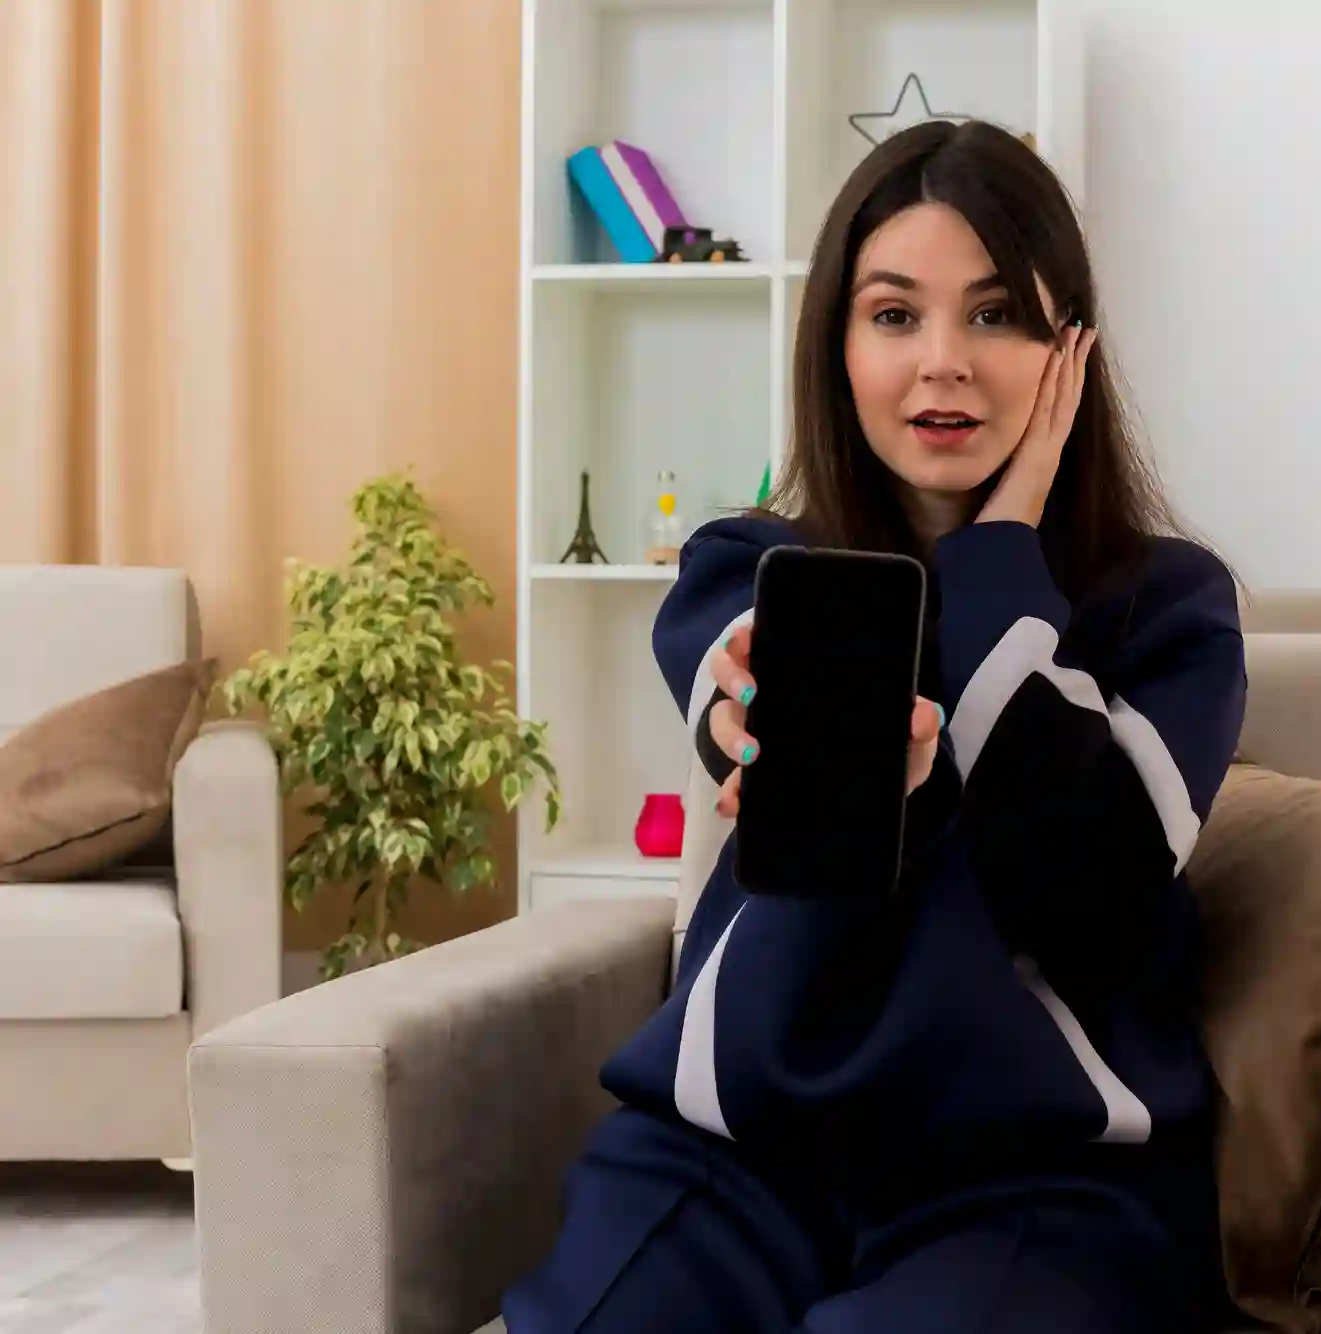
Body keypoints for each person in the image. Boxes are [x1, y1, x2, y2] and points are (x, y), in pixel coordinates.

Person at [502, 119, 1247, 1334]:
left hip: (1038, 1178)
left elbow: (1093, 893)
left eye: (996, 314)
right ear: (836, 346)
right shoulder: (746, 569)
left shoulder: (1169, 610)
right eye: (893, 315)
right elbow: (734, 694)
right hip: (728, 1156)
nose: (941, 362)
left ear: (1070, 349)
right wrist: (761, 722)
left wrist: (1001, 552)